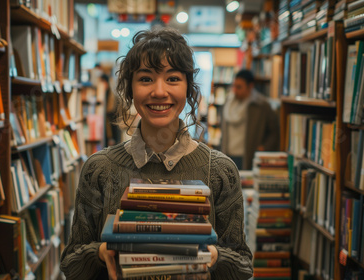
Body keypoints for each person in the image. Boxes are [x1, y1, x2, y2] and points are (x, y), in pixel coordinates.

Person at [60, 27, 253, 280]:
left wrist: (213, 257)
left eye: (172, 78)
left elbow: (242, 265)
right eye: (146, 79)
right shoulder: (99, 169)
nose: (159, 92)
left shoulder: (220, 171)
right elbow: (71, 263)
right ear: (130, 89)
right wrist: (101, 252)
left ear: (188, 88)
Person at [221, 69, 280, 170]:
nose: (235, 90)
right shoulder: (228, 102)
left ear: (250, 87)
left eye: (239, 87)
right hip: (227, 155)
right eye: (234, 86)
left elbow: (274, 131)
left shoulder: (261, 105)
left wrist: (264, 148)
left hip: (248, 157)